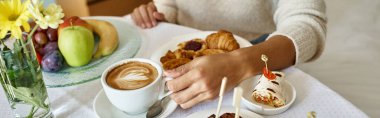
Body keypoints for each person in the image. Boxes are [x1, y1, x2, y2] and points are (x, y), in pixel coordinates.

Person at [131, 0, 326, 109]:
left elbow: (307, 23)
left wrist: (239, 63)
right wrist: (160, 14)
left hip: (259, 49)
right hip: (186, 47)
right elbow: (171, 4)